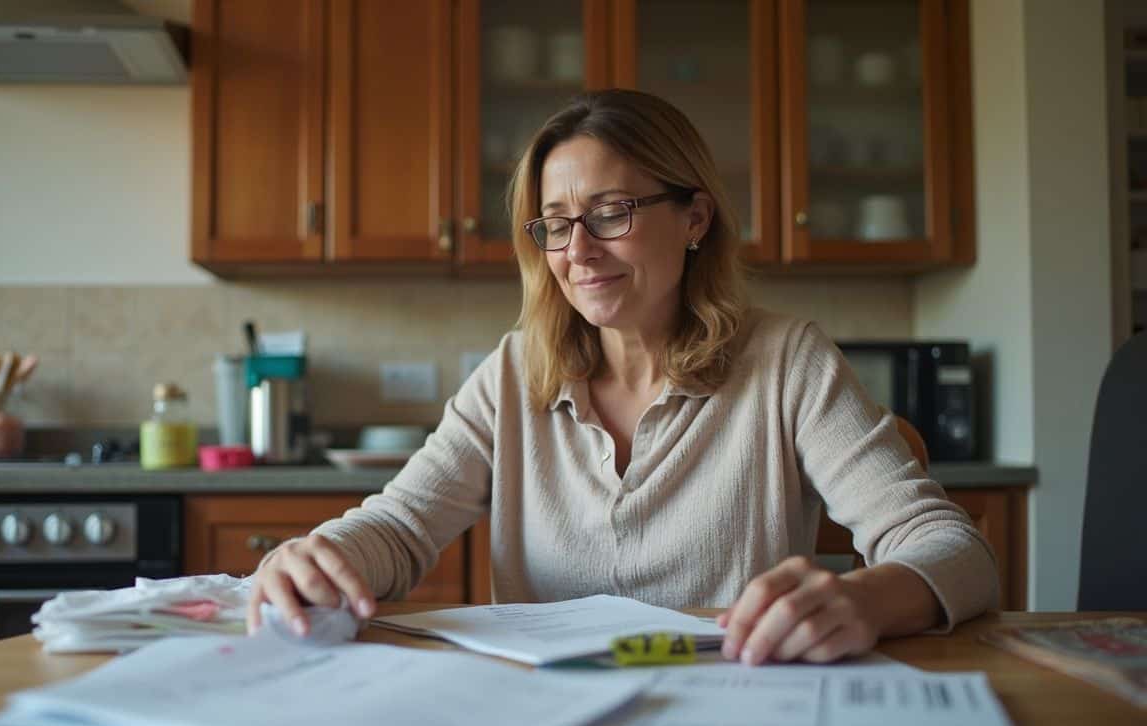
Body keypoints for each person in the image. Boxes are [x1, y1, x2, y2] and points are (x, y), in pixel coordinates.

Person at [246, 89, 998, 666]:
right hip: (551, 721)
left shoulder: (786, 361)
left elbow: (953, 551)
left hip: (731, 708)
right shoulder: (515, 372)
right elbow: (402, 525)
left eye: (612, 213)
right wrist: (323, 551)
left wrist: (862, 597)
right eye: (555, 223)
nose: (579, 250)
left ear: (695, 218)